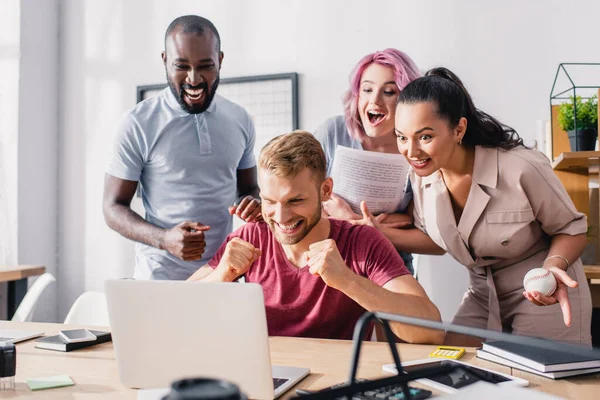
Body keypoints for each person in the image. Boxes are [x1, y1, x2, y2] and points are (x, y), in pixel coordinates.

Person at [359, 67, 592, 345]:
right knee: (450, 370)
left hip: (544, 293)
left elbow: (572, 228)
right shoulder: (422, 176)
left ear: (459, 129)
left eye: (425, 137)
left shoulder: (521, 166)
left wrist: (554, 267)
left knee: (541, 386)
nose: (411, 151)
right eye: (402, 137)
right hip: (482, 295)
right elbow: (437, 240)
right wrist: (374, 231)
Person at [188, 131, 443, 343]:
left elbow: (430, 330)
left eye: (295, 200)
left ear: (325, 191)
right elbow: (177, 311)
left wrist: (347, 280)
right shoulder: (248, 238)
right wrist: (222, 274)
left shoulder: (362, 242)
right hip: (268, 381)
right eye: (269, 201)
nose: (281, 216)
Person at [103, 15, 261, 280]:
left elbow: (248, 189)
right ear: (165, 60)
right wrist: (165, 238)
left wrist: (253, 203)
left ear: (220, 60)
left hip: (223, 276)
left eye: (205, 66)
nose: (194, 79)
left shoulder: (240, 119)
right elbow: (112, 207)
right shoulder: (138, 123)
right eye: (181, 66)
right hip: (159, 280)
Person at [313, 49, 421, 274]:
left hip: (390, 262)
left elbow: (411, 221)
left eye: (389, 91)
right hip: (331, 258)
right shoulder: (332, 132)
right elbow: (305, 200)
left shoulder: (418, 148)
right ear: (357, 95)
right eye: (367, 89)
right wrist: (356, 221)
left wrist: (351, 220)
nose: (375, 100)